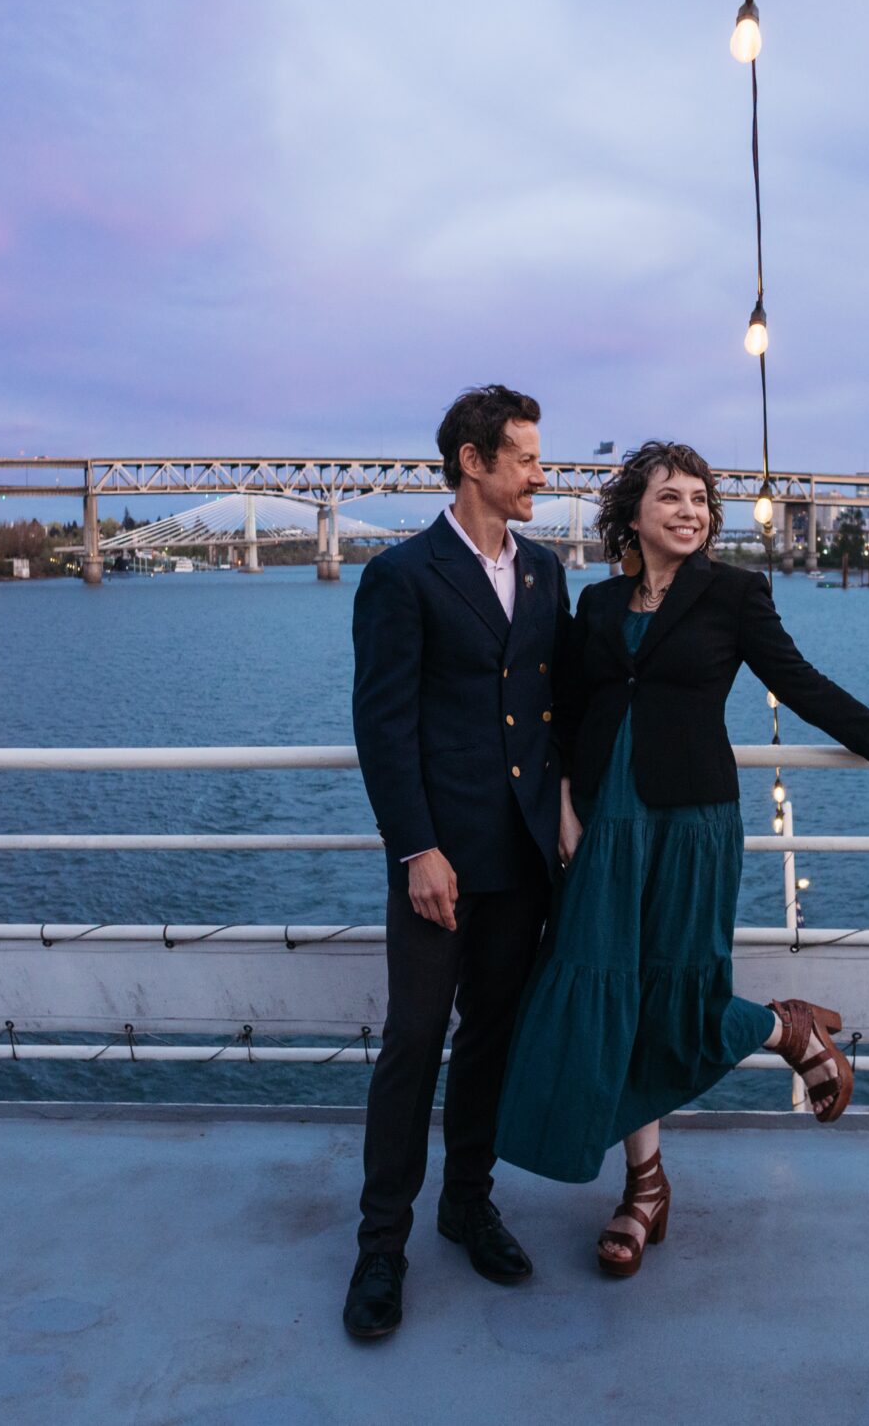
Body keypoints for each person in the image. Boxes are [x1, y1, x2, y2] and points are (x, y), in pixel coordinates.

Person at [494, 440, 869, 1277]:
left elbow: (800, 680)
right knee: (600, 999)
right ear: (632, 514)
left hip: (693, 822)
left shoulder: (735, 594)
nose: (690, 510)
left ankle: (779, 1029)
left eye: (702, 500)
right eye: (670, 497)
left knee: (677, 999)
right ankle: (646, 1184)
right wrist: (564, 805)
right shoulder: (597, 607)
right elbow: (562, 714)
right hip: (604, 826)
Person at [343, 385, 569, 1341]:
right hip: (441, 863)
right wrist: (416, 848)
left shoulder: (550, 571)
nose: (540, 474)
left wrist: (563, 811)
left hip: (523, 858)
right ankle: (380, 1245)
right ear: (473, 462)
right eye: (524, 457)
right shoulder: (403, 575)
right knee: (412, 1046)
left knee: (490, 1044)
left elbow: (557, 705)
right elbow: (383, 725)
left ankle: (465, 1203)